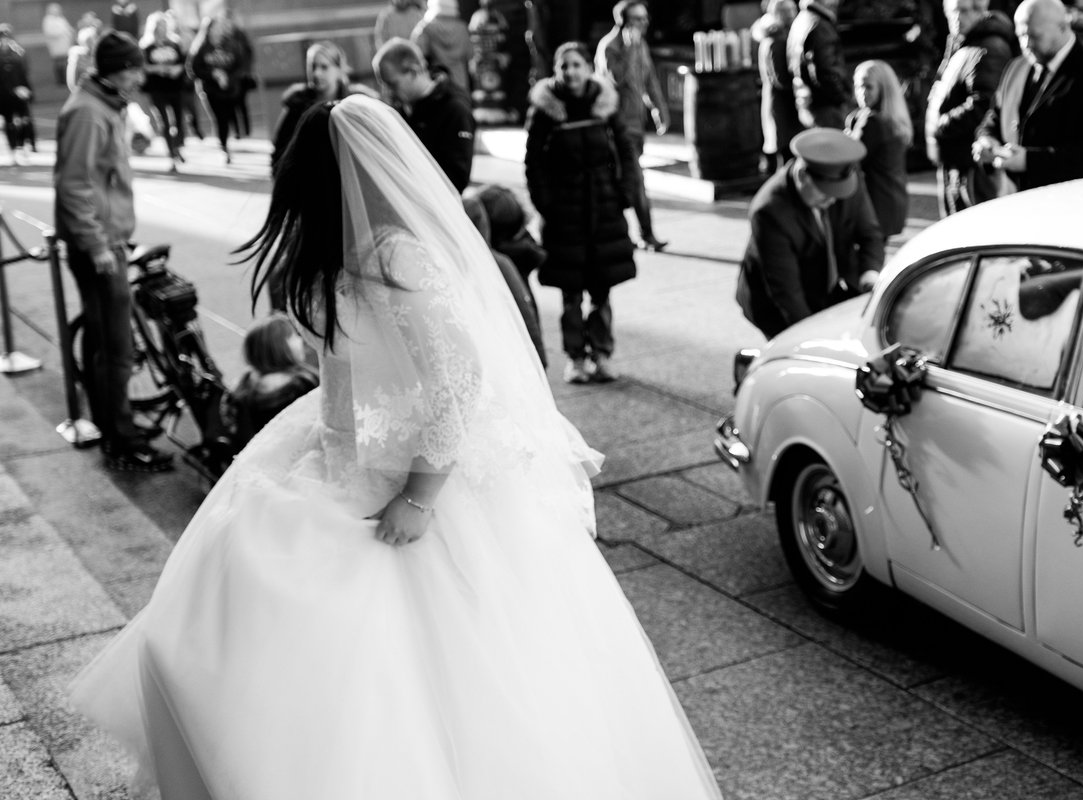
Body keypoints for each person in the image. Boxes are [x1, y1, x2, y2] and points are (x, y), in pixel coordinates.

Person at [68, 94, 724, 800]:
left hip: (411, 476)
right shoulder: (346, 251)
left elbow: (459, 379)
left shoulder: (395, 257)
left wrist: (419, 495)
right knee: (220, 617)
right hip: (343, 447)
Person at [54, 31, 172, 471]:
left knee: (105, 341)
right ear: (116, 71)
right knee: (116, 347)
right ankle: (121, 438)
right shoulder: (89, 112)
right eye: (134, 69)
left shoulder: (104, 105)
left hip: (106, 240)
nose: (140, 76)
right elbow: (74, 186)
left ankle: (113, 424)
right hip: (99, 247)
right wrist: (98, 246)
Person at [527, 42, 637, 385]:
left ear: (589, 68)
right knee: (571, 290)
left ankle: (602, 354)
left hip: (603, 207)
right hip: (565, 213)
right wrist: (546, 205)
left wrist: (624, 194)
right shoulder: (546, 112)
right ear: (556, 71)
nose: (571, 72)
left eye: (576, 65)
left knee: (602, 287)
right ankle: (575, 357)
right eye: (564, 66)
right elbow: (533, 163)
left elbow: (626, 152)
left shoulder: (605, 106)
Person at [736, 128, 884, 339]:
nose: (832, 200)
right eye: (825, 194)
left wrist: (869, 274)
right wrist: (812, 339)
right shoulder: (769, 211)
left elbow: (870, 233)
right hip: (777, 302)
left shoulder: (846, 180)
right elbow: (787, 293)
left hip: (829, 287)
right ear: (802, 175)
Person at [973, 0, 1083, 193]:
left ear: (1063, 27)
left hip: (1073, 201)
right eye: (1021, 35)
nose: (1026, 44)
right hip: (1018, 201)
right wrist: (987, 140)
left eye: (1034, 36)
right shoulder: (1016, 68)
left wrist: (1029, 161)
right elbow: (994, 117)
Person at [925, 0, 1016, 215]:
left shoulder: (988, 48)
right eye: (953, 12)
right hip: (957, 160)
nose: (958, 18)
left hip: (971, 164)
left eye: (964, 11)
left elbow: (985, 104)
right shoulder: (966, 44)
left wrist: (939, 125)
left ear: (981, 11)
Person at [595, 0, 669, 252]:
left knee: (631, 180)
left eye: (645, 18)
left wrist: (659, 109)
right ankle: (645, 234)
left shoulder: (640, 44)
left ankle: (634, 234)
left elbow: (649, 79)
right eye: (639, 18)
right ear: (623, 22)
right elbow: (617, 79)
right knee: (634, 180)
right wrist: (628, 49)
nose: (645, 23)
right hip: (616, 126)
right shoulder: (609, 47)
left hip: (637, 124)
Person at [373, 37, 475, 193]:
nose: (388, 93)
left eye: (392, 84)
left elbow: (457, 178)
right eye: (384, 86)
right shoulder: (400, 107)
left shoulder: (454, 109)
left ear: (413, 71)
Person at [463, 192, 548, 367]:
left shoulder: (498, 263)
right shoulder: (516, 254)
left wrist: (539, 362)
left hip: (505, 358)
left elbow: (526, 318)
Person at [272, 40, 378, 177]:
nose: (316, 73)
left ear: (338, 69)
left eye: (324, 67)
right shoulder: (297, 104)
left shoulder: (356, 102)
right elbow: (280, 151)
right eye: (312, 67)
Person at [223, 314, 318, 452]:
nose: (300, 340)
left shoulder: (242, 388)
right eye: (294, 336)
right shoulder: (303, 385)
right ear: (279, 347)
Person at [845, 59, 911, 242]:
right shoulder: (893, 117)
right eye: (859, 86)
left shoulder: (873, 122)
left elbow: (850, 158)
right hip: (891, 203)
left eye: (869, 87)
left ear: (883, 88)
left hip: (875, 205)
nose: (862, 93)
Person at [187, 11, 252, 164]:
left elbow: (241, 65)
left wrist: (229, 77)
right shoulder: (201, 47)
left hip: (230, 89)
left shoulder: (231, 43)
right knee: (219, 118)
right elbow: (193, 69)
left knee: (228, 117)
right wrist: (213, 74)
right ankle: (224, 148)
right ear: (209, 29)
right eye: (216, 27)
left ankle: (226, 142)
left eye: (220, 26)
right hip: (210, 90)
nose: (219, 29)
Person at [787, 0, 852, 129]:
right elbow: (825, 71)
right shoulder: (820, 25)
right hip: (826, 107)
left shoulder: (801, 19)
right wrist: (844, 98)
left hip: (806, 102)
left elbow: (791, 65)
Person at [753, 0, 800, 175]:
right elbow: (780, 78)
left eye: (792, 10)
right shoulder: (776, 40)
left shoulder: (775, 37)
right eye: (787, 11)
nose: (792, 14)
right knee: (784, 149)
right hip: (781, 102)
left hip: (777, 99)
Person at [141, 11, 188, 170]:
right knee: (164, 122)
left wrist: (176, 70)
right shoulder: (147, 46)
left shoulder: (174, 43)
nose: (162, 28)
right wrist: (158, 69)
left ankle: (178, 146)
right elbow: (143, 67)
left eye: (164, 25)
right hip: (157, 88)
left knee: (179, 121)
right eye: (159, 25)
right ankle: (172, 154)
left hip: (175, 87)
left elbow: (183, 63)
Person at [411, 0, 472, 92]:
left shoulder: (426, 27)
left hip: (436, 86)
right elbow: (470, 54)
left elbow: (415, 54)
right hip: (461, 85)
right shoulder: (462, 28)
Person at [0, 24, 35, 164]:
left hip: (20, 93)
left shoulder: (18, 53)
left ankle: (23, 146)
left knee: (25, 120)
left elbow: (24, 74)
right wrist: (12, 89)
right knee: (9, 123)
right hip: (4, 96)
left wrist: (28, 90)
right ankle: (13, 151)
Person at [42, 3, 75, 87]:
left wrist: (70, 32)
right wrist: (62, 33)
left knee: (65, 62)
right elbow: (49, 32)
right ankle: (60, 80)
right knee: (58, 63)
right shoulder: (48, 20)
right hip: (56, 45)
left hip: (64, 44)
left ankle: (66, 78)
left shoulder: (61, 19)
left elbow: (68, 28)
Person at [66, 25, 98, 92]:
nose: (92, 44)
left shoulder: (98, 56)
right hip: (83, 92)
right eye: (89, 42)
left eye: (93, 40)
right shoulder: (77, 57)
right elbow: (72, 81)